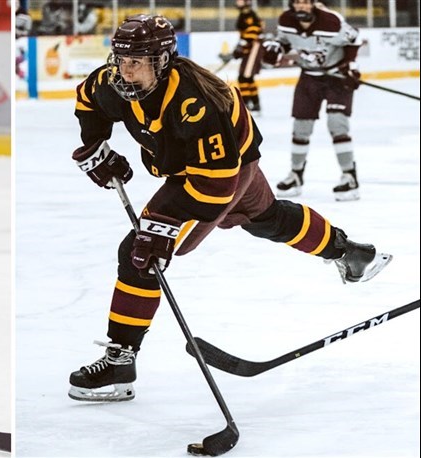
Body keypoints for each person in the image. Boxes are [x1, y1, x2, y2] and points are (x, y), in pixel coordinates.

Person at [67, 14, 391, 402]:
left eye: (136, 61)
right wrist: (95, 146)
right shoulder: (115, 83)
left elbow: (216, 187)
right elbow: (87, 99)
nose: (124, 70)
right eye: (120, 59)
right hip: (215, 168)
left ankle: (121, 359)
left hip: (221, 175)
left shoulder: (196, 103)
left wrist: (158, 233)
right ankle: (350, 253)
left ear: (162, 60)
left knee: (140, 253)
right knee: (265, 219)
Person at [262, 0, 363, 200]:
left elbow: (355, 38)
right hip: (309, 77)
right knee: (301, 127)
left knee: (337, 124)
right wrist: (275, 50)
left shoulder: (331, 22)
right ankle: (296, 175)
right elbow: (284, 40)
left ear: (314, 4)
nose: (302, 6)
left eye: (306, 2)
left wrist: (350, 65)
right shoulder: (286, 20)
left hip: (336, 77)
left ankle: (350, 177)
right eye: (298, 2)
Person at [219, 0, 264, 113]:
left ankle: (246, 103)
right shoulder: (245, 14)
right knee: (248, 77)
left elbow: (253, 32)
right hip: (250, 49)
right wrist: (239, 49)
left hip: (254, 49)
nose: (237, 2)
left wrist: (240, 48)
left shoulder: (249, 14)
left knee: (244, 77)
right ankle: (255, 103)